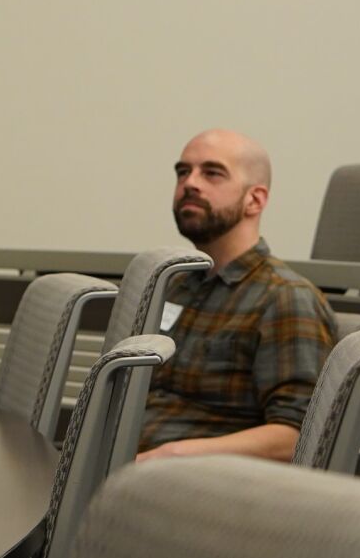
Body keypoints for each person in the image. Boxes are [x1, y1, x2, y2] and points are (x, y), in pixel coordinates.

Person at [135, 129, 335, 462]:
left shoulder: (284, 297)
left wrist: (171, 454)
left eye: (212, 173)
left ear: (254, 200)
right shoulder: (174, 285)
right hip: (118, 467)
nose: (190, 183)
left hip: (190, 483)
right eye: (183, 172)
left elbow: (298, 436)